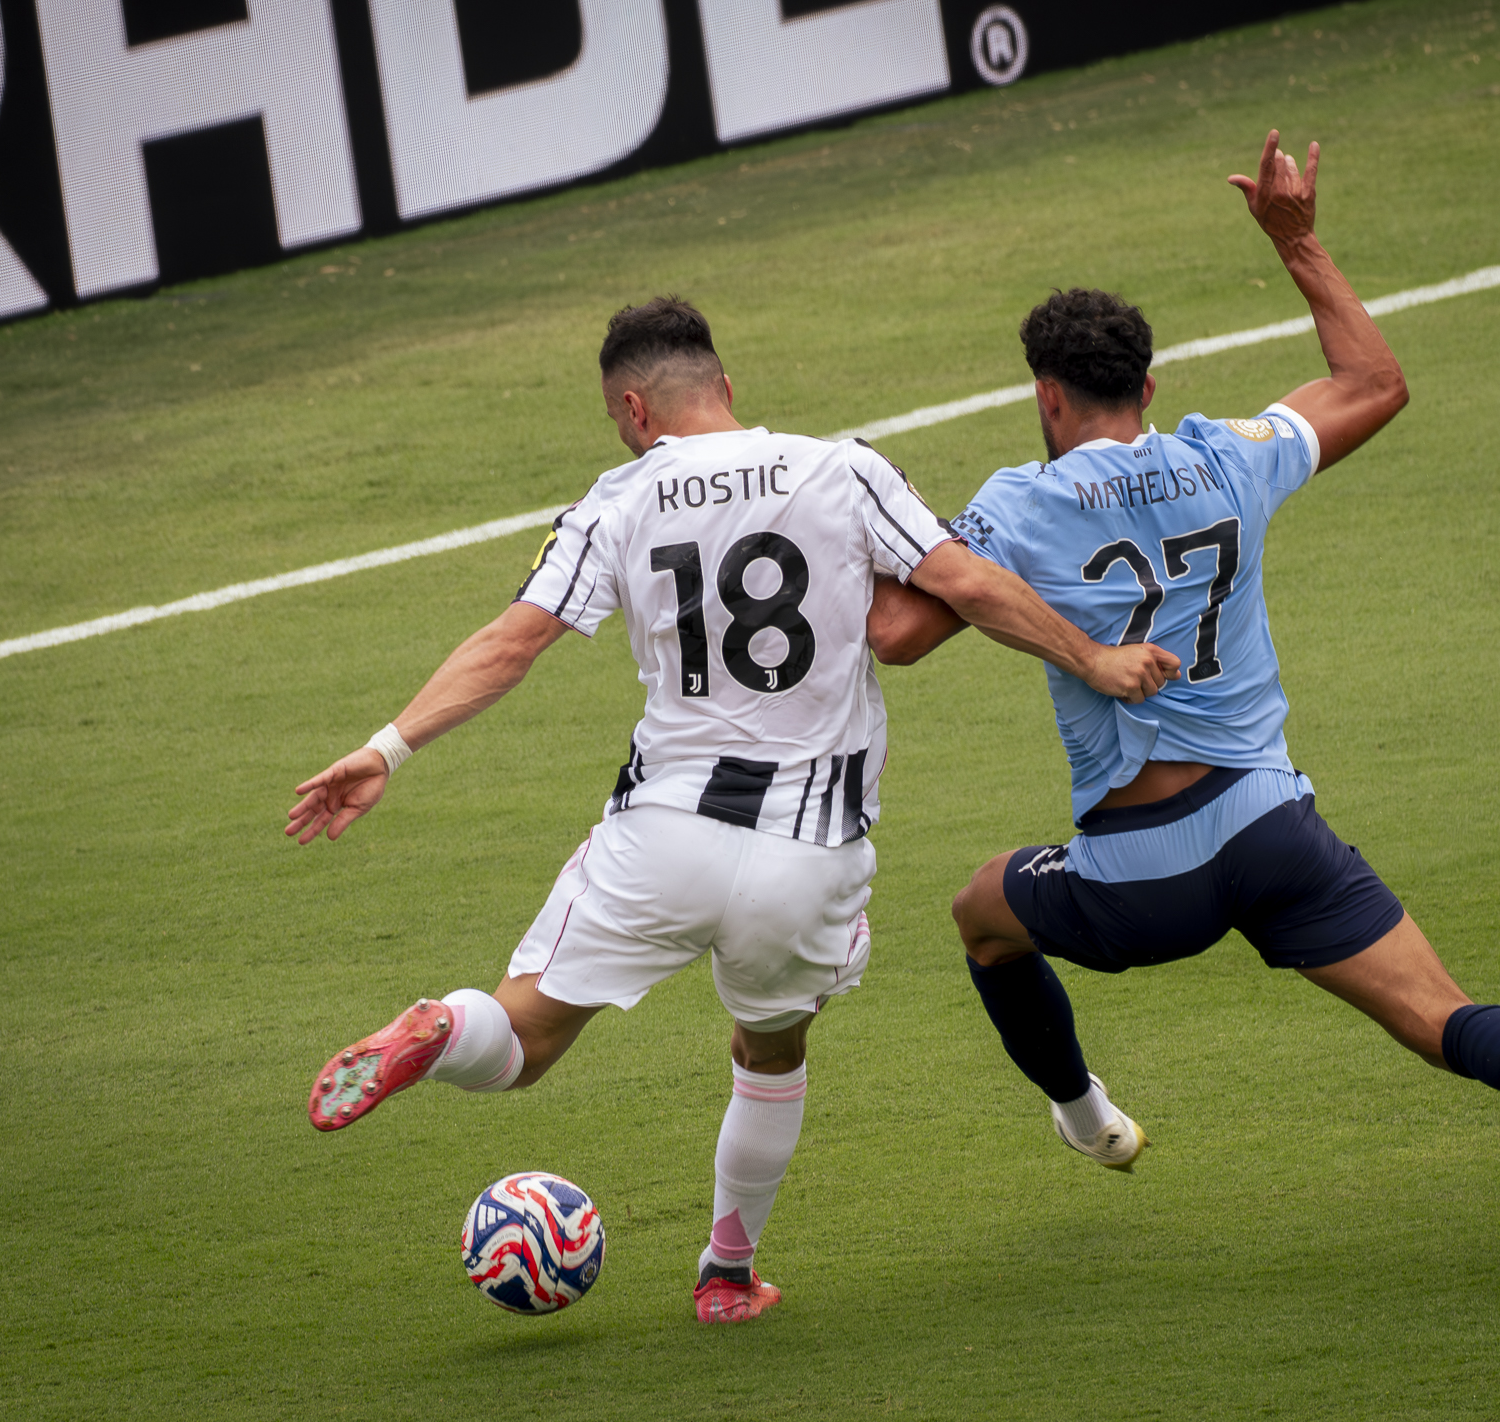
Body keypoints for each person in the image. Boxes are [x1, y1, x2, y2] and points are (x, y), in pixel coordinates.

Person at [867, 132, 1500, 1228]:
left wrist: (886, 516)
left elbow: (895, 634)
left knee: (980, 915)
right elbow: (1373, 381)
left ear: (1046, 396)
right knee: (1436, 1013)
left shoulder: (1017, 507)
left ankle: (1086, 1117)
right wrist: (1298, 241)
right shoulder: (1225, 455)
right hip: (1274, 829)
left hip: (1141, 873)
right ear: (1147, 384)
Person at [286, 296, 1177, 1324]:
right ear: (724, 386)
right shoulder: (840, 465)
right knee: (769, 1050)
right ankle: (724, 1274)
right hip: (806, 855)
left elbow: (511, 642)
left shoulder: (616, 499)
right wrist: (1093, 658)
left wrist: (385, 748)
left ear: (633, 407)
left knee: (522, 1039)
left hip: (659, 836)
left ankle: (441, 1031)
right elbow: (964, 583)